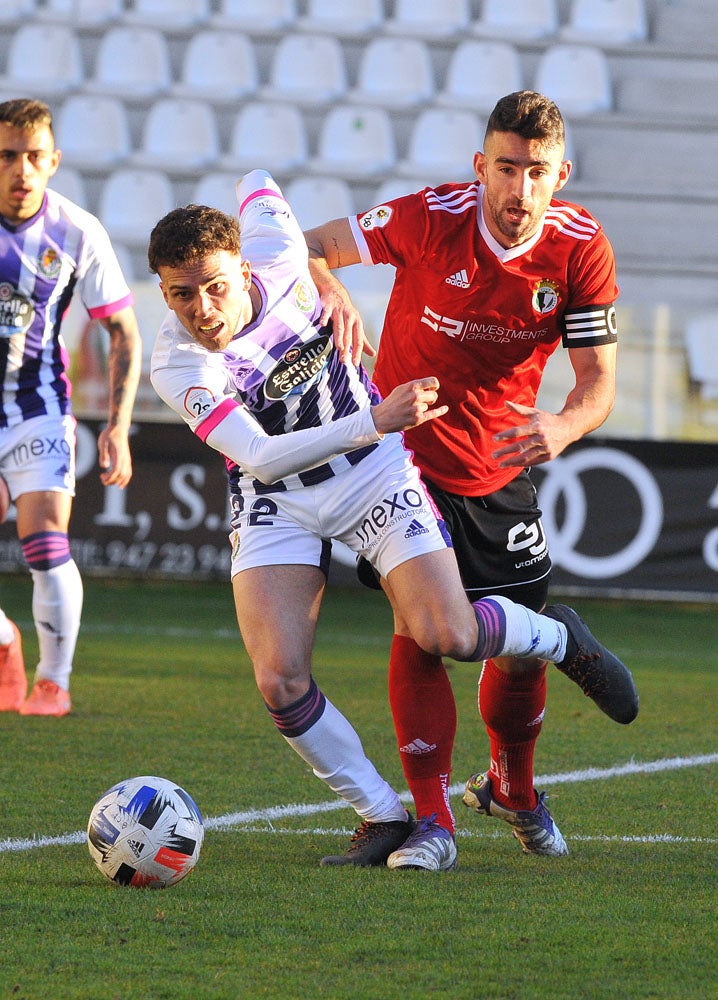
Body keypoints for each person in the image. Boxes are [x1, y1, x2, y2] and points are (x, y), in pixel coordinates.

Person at [148, 168, 637, 869]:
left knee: (451, 634)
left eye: (215, 286)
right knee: (279, 679)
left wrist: (331, 282)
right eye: (181, 294)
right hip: (275, 495)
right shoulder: (177, 361)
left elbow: (257, 180)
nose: (202, 308)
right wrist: (373, 418)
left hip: (372, 475)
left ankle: (556, 637)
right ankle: (382, 815)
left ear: (244, 264)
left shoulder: (280, 251)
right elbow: (257, 453)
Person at [305, 89, 638, 868]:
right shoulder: (430, 215)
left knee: (515, 653)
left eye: (537, 173)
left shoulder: (582, 247)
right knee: (422, 631)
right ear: (480, 166)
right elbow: (309, 244)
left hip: (500, 469)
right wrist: (332, 285)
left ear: (562, 173)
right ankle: (433, 821)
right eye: (506, 169)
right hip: (403, 460)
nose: (519, 190)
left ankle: (512, 788)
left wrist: (562, 425)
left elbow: (597, 386)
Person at [0, 98, 142, 716]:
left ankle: (52, 681)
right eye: (7, 155)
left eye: (33, 156)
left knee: (43, 539)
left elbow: (124, 332)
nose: (20, 170)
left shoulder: (78, 232)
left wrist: (117, 426)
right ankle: (5, 642)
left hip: (38, 404)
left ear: (53, 161)